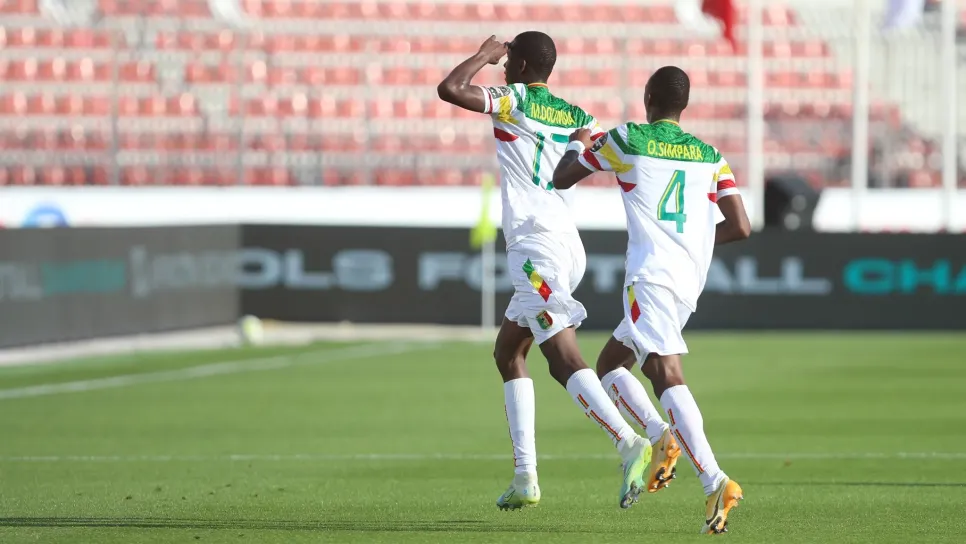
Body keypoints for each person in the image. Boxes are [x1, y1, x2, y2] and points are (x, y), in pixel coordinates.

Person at [437, 32, 652, 511]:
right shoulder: (580, 117)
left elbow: (450, 89)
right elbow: (597, 154)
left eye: (508, 59)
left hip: (534, 246)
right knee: (508, 352)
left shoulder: (513, 99)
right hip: (566, 246)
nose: (503, 65)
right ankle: (524, 477)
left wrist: (481, 55)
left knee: (561, 356)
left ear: (521, 65)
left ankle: (628, 442)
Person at [551, 66, 751, 534]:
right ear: (685, 105)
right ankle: (661, 435)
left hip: (652, 276)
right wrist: (695, 243)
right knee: (611, 364)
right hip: (688, 279)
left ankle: (714, 480)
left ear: (647, 98)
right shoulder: (710, 156)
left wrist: (578, 142)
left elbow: (562, 178)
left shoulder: (628, 138)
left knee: (663, 371)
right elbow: (741, 226)